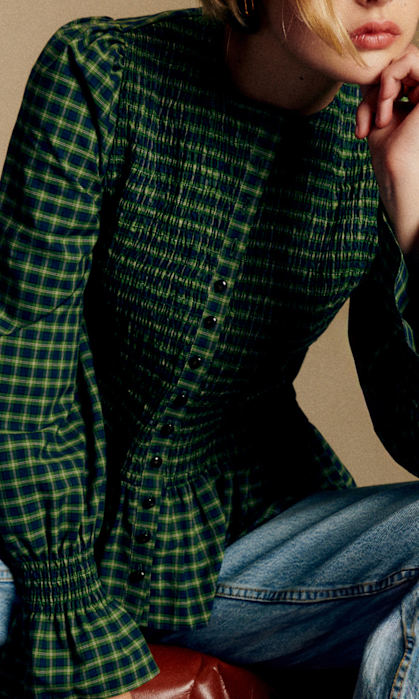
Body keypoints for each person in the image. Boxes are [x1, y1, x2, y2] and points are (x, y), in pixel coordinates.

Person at [0, 0, 419, 697]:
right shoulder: (104, 73)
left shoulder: (388, 129)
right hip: (35, 539)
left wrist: (416, 225)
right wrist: (67, 602)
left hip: (243, 544)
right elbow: (19, 373)